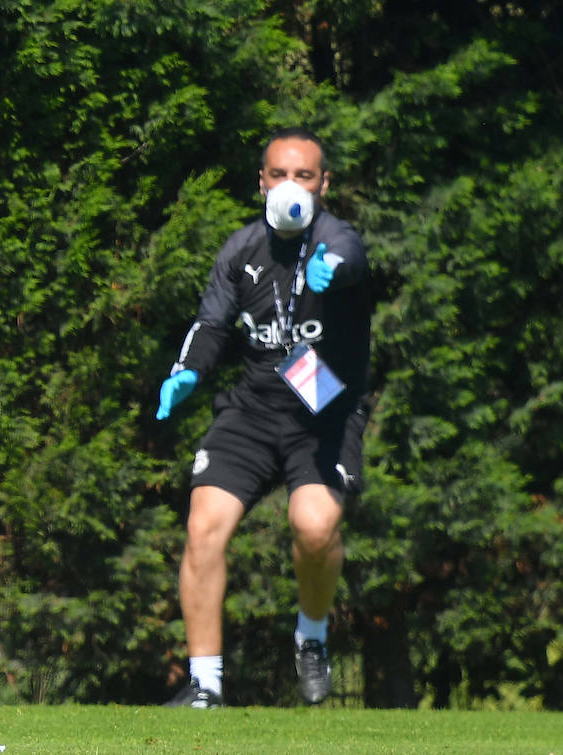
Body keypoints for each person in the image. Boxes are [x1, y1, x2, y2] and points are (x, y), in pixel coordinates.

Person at [155, 127, 370, 708]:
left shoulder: (336, 240)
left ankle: (312, 635)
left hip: (324, 413)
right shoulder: (240, 250)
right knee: (203, 525)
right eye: (279, 174)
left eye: (304, 175)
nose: (290, 186)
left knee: (315, 525)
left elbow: (353, 256)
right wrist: (187, 372)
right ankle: (206, 685)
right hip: (253, 407)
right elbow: (212, 324)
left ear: (323, 185)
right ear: (261, 182)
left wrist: (337, 271)